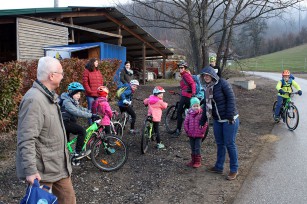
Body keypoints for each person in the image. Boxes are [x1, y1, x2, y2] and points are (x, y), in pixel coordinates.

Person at [16, 56, 76, 203]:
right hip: (42, 172)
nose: (63, 77)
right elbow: (26, 138)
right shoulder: (34, 100)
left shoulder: (49, 97)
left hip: (58, 167)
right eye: (61, 73)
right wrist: (30, 171)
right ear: (52, 76)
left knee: (69, 201)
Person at [199, 66, 239, 181]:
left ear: (212, 75)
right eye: (204, 75)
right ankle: (219, 167)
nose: (206, 77)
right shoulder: (207, 88)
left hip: (229, 119)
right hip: (217, 120)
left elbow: (231, 98)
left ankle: (234, 169)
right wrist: (202, 120)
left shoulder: (223, 83)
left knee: (229, 143)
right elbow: (207, 106)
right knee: (220, 143)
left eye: (208, 75)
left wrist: (230, 115)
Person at [60, 82, 100, 166]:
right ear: (71, 93)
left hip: (69, 121)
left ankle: (72, 159)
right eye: (77, 93)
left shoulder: (72, 100)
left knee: (66, 143)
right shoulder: (66, 101)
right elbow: (76, 111)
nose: (79, 95)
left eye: (80, 93)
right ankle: (77, 153)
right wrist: (91, 116)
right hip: (64, 122)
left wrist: (92, 113)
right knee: (82, 131)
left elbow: (80, 109)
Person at [184, 97, 208, 168]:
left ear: (199, 106)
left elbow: (205, 124)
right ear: (191, 106)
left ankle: (198, 161)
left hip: (198, 135)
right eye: (194, 106)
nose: (196, 107)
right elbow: (185, 123)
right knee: (192, 147)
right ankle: (193, 160)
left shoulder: (201, 114)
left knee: (197, 147)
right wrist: (187, 130)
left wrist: (201, 131)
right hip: (191, 134)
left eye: (197, 106)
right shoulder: (189, 114)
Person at [173, 62, 196, 137]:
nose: (180, 69)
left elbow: (192, 83)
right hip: (186, 95)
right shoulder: (184, 75)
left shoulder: (186, 75)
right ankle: (191, 130)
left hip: (186, 96)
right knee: (189, 112)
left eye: (182, 68)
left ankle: (178, 130)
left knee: (179, 112)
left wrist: (193, 93)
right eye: (179, 68)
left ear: (185, 68)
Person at [82, 58, 103, 124]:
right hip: (90, 94)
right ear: (92, 63)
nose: (97, 63)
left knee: (97, 109)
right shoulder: (86, 71)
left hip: (98, 93)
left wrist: (101, 89)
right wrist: (89, 91)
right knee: (90, 109)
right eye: (96, 62)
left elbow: (101, 81)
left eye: (97, 62)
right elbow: (85, 82)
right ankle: (90, 124)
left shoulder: (98, 71)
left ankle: (95, 124)